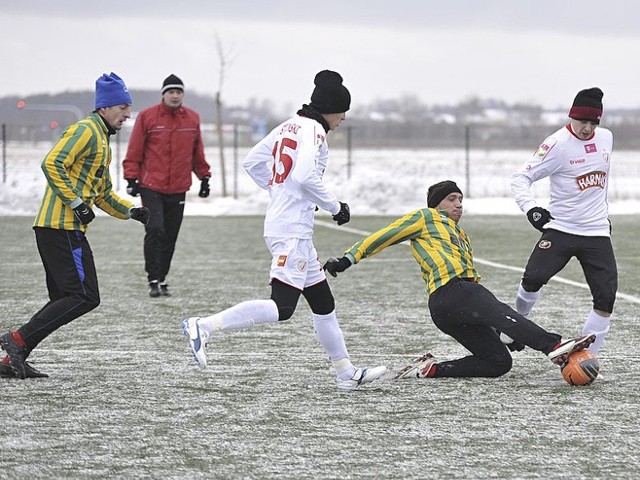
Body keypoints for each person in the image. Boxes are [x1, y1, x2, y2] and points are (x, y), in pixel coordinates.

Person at [181, 70, 386, 391]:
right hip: (290, 230)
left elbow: (252, 163)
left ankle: (346, 373)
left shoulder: (289, 125)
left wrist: (279, 190)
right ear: (330, 108)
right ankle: (203, 326)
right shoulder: (314, 131)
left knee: (323, 303)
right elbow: (304, 176)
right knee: (283, 308)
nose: (344, 117)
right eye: (342, 110)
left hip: (294, 229)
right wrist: (335, 206)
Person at [324, 180, 595, 379]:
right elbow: (384, 235)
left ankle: (433, 370)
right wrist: (348, 258)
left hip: (450, 308)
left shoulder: (460, 234)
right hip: (451, 291)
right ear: (437, 203)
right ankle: (554, 346)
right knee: (497, 309)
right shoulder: (426, 217)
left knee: (498, 363)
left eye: (461, 200)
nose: (458, 205)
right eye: (452, 199)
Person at [0, 72, 150, 380]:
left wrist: (131, 212)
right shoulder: (86, 130)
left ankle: (11, 360)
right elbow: (51, 162)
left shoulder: (103, 142)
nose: (127, 114)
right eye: (122, 106)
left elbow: (103, 194)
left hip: (60, 229)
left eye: (129, 106)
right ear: (105, 107)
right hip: (60, 227)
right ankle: (16, 341)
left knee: (65, 298)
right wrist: (77, 204)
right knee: (84, 296)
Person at [509, 87, 616, 354]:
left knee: (606, 297)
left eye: (593, 122)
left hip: (597, 232)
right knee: (533, 278)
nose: (587, 128)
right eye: (583, 121)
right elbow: (520, 178)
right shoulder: (556, 144)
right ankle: (513, 328)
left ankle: (587, 357)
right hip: (562, 228)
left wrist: (601, 215)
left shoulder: (606, 138)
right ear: (572, 117)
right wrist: (531, 209)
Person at [123, 74, 211, 298]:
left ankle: (162, 278)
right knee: (155, 229)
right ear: (164, 94)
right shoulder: (147, 117)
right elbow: (135, 149)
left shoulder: (192, 118)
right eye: (171, 92)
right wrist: (131, 179)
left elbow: (197, 151)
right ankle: (152, 278)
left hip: (179, 186)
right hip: (151, 185)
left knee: (170, 235)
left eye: (179, 92)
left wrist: (204, 177)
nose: (175, 95)